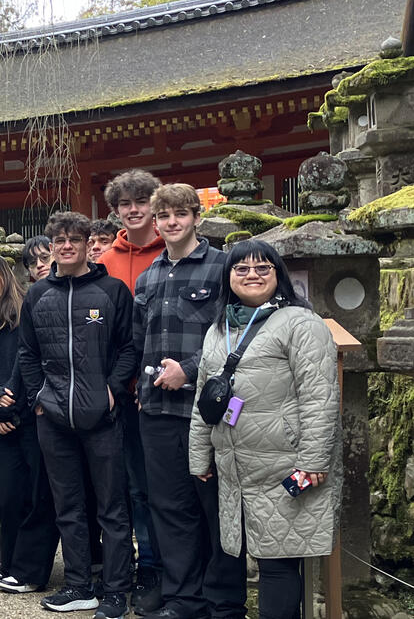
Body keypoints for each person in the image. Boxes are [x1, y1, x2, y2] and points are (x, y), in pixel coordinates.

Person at [189, 241, 340, 619]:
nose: (251, 275)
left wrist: (314, 459)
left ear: (278, 275)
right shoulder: (219, 327)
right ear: (228, 277)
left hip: (282, 462)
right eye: (241, 269)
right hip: (232, 466)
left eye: (262, 268)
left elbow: (320, 396)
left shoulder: (301, 323)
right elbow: (203, 400)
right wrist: (199, 456)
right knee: (227, 555)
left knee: (278, 561)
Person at [18, 211, 138, 617]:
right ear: (51, 246)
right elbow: (28, 353)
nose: (66, 246)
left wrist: (113, 390)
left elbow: (128, 348)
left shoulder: (112, 290)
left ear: (89, 244)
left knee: (112, 507)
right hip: (53, 416)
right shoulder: (37, 295)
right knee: (68, 506)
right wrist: (38, 396)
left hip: (101, 416)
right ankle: (78, 583)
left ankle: (117, 589)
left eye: (74, 239)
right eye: (59, 240)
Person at [135, 183, 241, 619]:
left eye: (181, 213)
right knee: (169, 507)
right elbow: (140, 341)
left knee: (216, 505)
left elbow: (237, 336)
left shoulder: (221, 269)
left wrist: (190, 369)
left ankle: (224, 601)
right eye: (164, 216)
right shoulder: (149, 275)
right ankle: (183, 600)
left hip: (208, 410)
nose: (172, 222)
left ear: (197, 216)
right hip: (157, 410)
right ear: (155, 222)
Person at [0, 253, 60, 595]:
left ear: (7, 277)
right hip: (3, 418)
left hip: (32, 419)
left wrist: (11, 407)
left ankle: (32, 571)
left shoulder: (26, 311)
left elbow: (28, 361)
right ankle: (13, 563)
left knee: (36, 496)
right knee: (7, 496)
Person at [99, 169, 166, 608]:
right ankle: (120, 568)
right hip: (111, 389)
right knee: (116, 487)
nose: (134, 209)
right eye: (125, 203)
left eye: (142, 201)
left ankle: (155, 568)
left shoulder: (170, 255)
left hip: (159, 386)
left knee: (151, 487)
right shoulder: (104, 260)